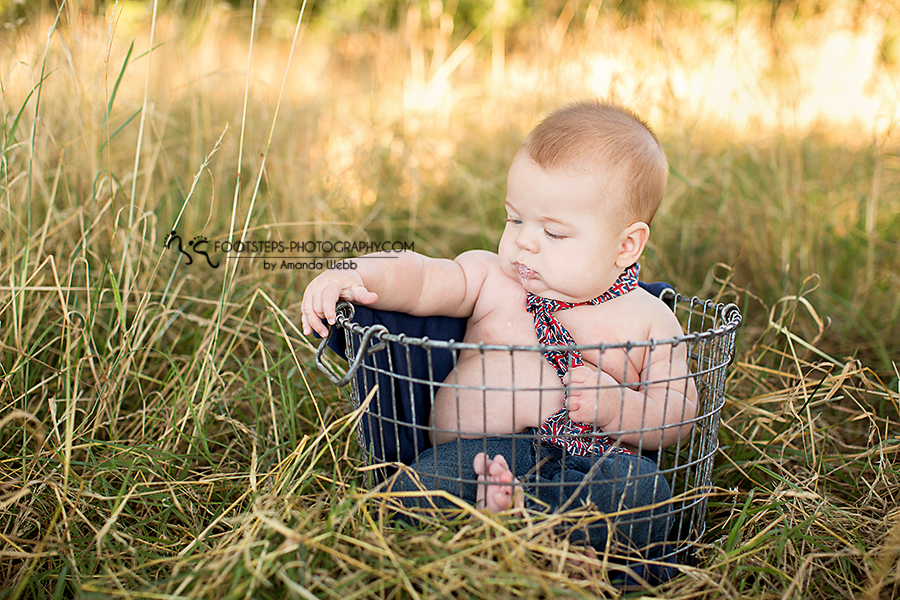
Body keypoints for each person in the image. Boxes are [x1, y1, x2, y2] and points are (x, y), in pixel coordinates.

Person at [301, 100, 697, 552]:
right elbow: (421, 276)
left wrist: (616, 407)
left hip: (590, 466)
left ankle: (517, 527)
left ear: (626, 245)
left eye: (554, 233)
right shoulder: (492, 278)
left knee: (645, 495)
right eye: (514, 218)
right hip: (472, 459)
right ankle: (546, 540)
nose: (524, 241)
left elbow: (679, 413)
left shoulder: (648, 318)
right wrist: (355, 273)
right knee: (413, 490)